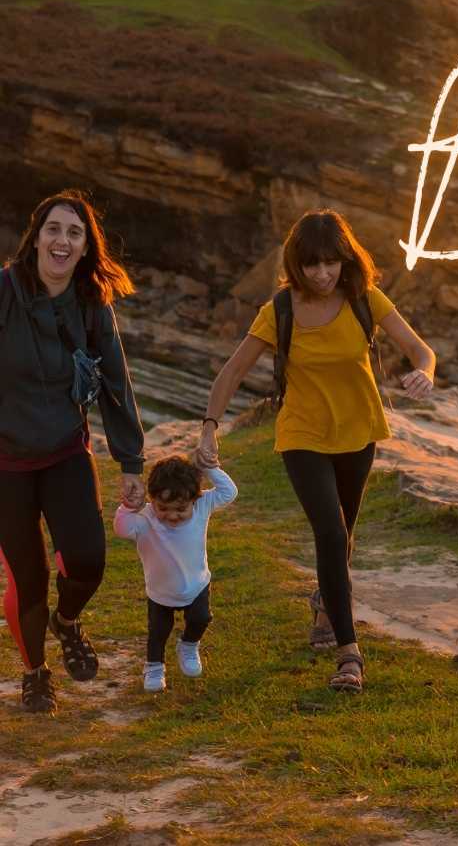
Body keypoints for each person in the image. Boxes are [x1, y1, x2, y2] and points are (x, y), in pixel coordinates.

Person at [198, 209, 435, 693]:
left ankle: (326, 602)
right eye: (312, 265)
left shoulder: (364, 298)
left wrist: (425, 373)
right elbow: (232, 373)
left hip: (359, 431)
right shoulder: (279, 311)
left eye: (331, 263)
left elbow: (420, 350)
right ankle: (350, 656)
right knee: (329, 530)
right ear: (296, 263)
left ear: (345, 260)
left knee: (342, 535)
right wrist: (209, 429)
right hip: (303, 435)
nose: (323, 274)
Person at [0, 190, 145, 714]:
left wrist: (130, 461)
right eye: (54, 229)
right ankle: (36, 673)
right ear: (36, 237)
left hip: (64, 451)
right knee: (28, 577)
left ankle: (67, 621)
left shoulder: (90, 304)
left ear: (85, 248)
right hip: (5, 465)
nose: (62, 241)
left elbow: (116, 384)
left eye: (74, 233)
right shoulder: (4, 292)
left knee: (87, 561)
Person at [114, 453, 237, 693]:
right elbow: (121, 529)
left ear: (195, 499)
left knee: (201, 618)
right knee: (158, 631)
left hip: (197, 584)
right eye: (163, 508)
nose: (172, 515)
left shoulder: (202, 506)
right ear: (152, 500)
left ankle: (189, 645)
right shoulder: (145, 518)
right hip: (160, 592)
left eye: (180, 508)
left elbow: (229, 492)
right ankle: (154, 667)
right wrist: (128, 507)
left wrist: (209, 469)